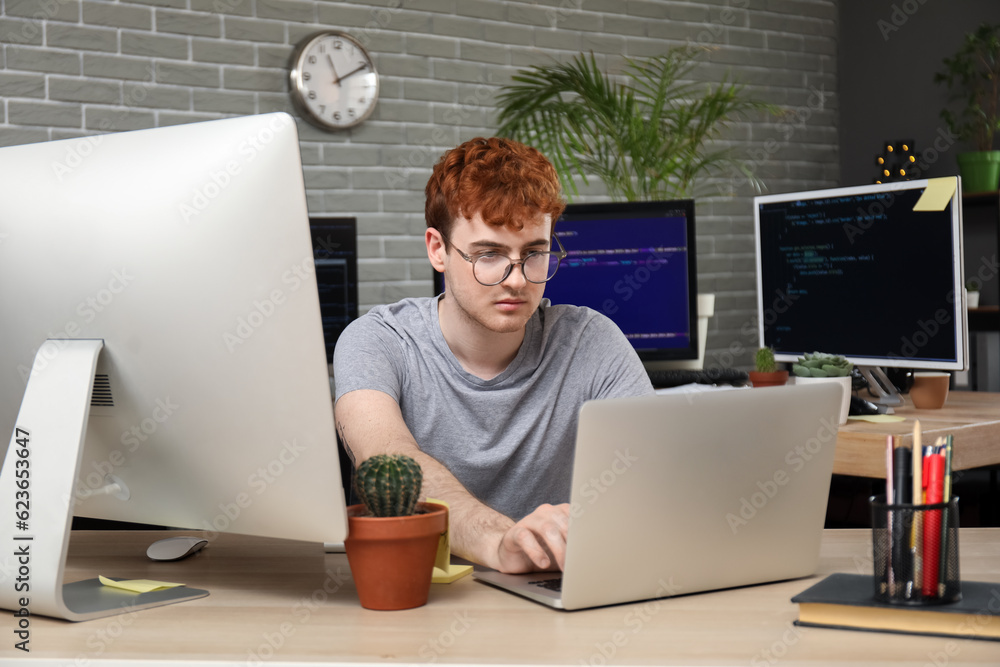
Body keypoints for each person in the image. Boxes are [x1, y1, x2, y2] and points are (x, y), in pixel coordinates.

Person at [333, 137, 653, 574]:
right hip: (422, 602)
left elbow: (653, 474)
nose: (517, 280)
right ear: (437, 250)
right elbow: (387, 455)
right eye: (489, 255)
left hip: (552, 595)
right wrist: (502, 542)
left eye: (535, 254)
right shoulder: (377, 340)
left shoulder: (591, 341)